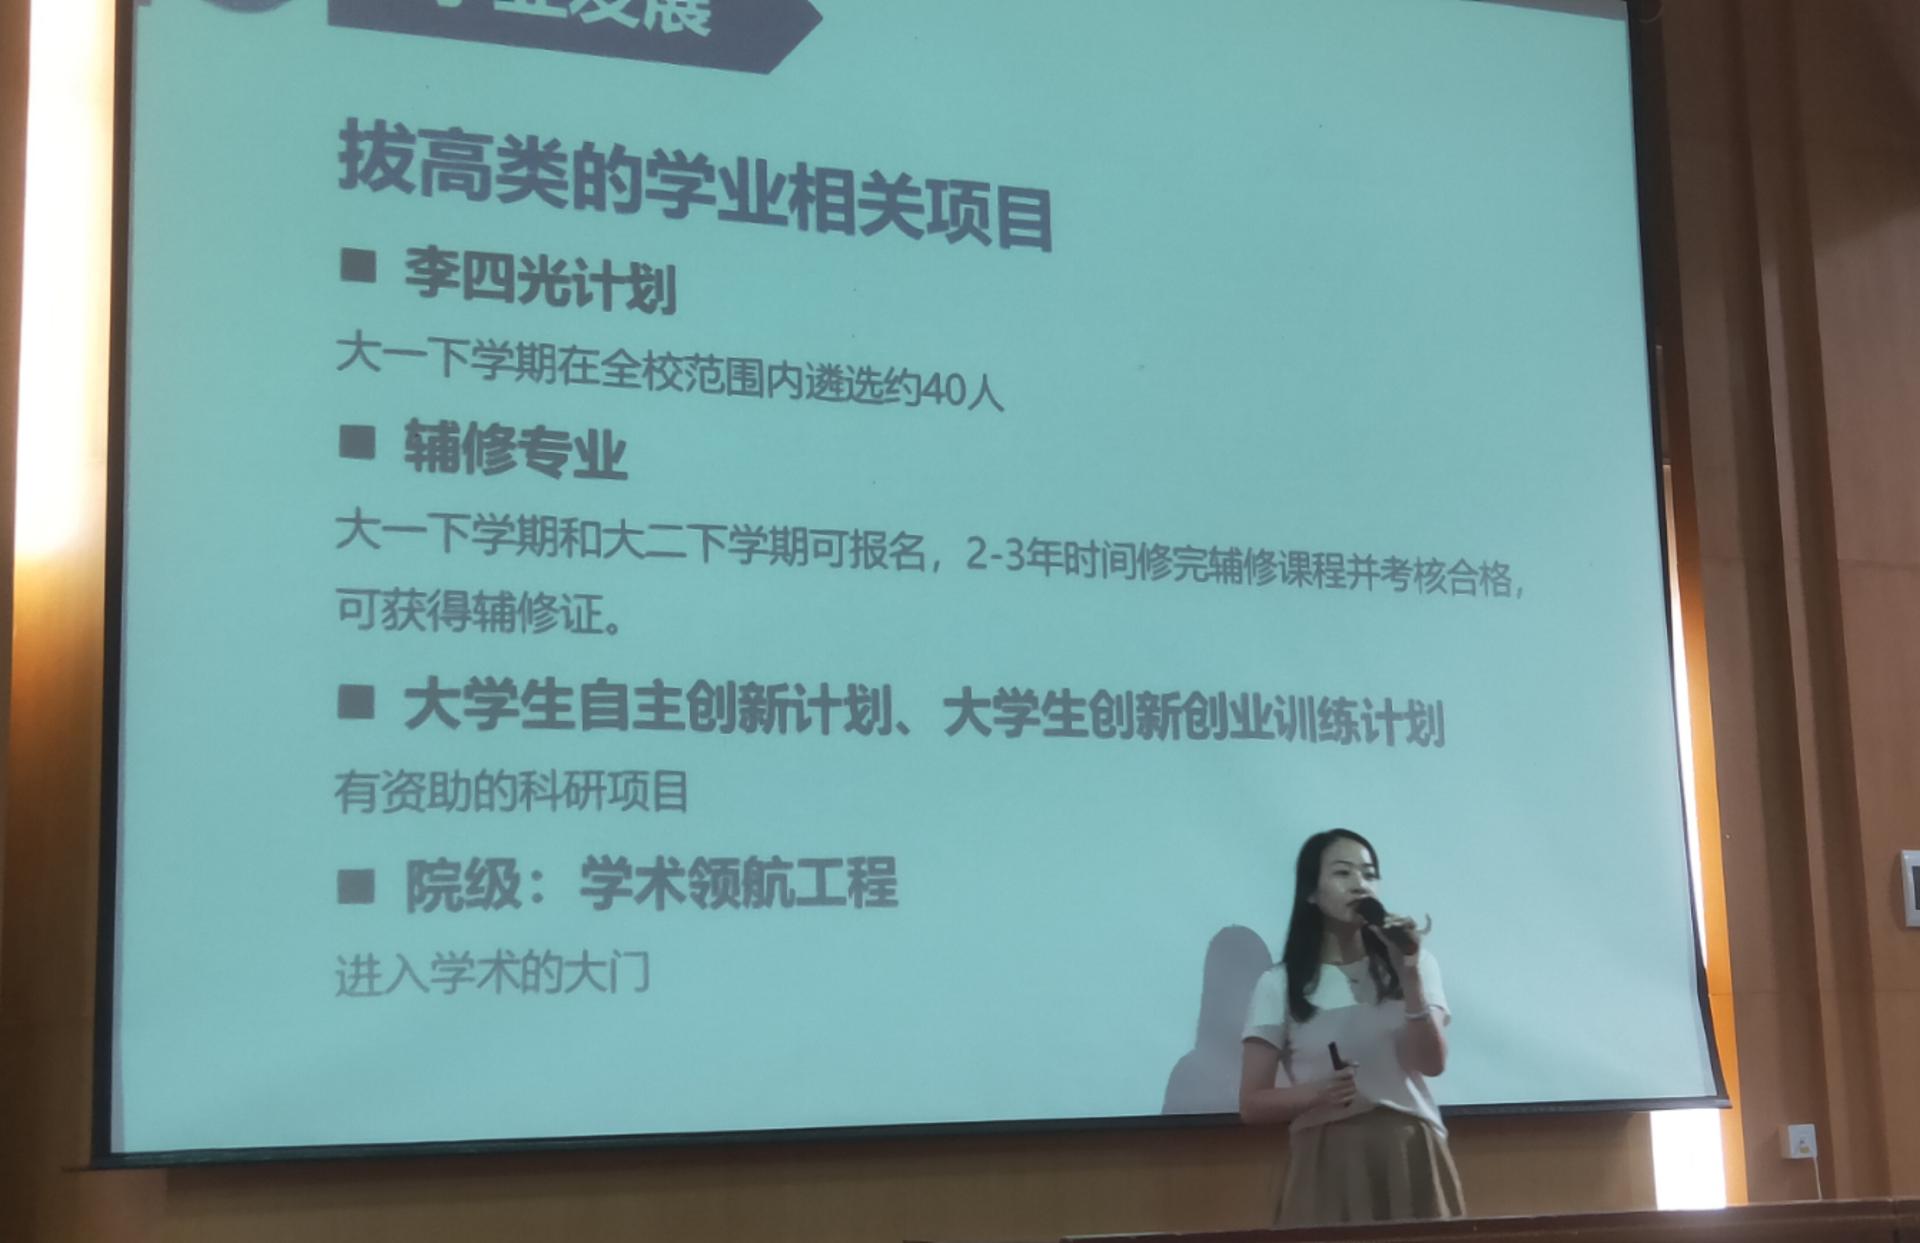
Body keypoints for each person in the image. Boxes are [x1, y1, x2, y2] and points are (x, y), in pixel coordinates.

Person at [1239, 828, 1465, 1227]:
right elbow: (1252, 1104)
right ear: (1311, 893)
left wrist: (1409, 975)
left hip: (1410, 1150)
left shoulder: (1415, 963)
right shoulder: (1279, 984)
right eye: (1342, 873)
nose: (1360, 884)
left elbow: (1432, 1064)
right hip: (1326, 1158)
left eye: (1369, 874)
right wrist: (1318, 1093)